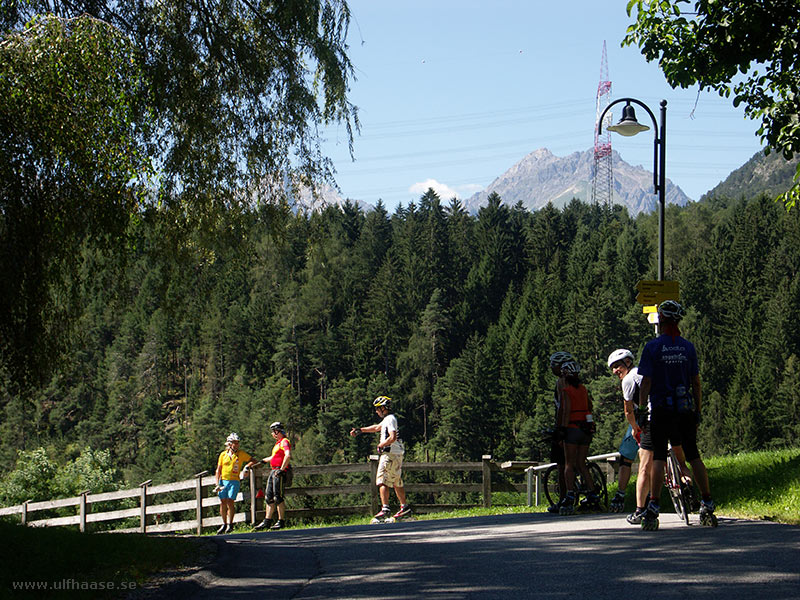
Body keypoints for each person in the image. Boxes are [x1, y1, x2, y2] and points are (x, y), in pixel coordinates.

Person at [638, 300, 716, 530]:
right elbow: (696, 382)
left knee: (659, 457)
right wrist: (698, 410)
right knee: (693, 455)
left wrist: (642, 410)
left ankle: (653, 505)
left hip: (661, 410)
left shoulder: (652, 348)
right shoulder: (687, 347)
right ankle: (707, 501)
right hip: (685, 409)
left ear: (660, 319)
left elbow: (646, 383)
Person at [350, 396, 411, 521]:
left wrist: (381, 445)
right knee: (396, 481)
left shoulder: (389, 419)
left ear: (384, 408)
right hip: (397, 454)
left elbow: (392, 437)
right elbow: (376, 428)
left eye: (378, 409)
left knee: (382, 480)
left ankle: (385, 510)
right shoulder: (389, 419)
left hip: (389, 454)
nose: (376, 411)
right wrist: (360, 430)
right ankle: (405, 508)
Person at [557, 360, 602, 515]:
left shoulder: (566, 391)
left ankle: (569, 495)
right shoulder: (583, 389)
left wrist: (561, 430)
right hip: (585, 429)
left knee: (569, 464)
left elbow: (565, 410)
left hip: (572, 428)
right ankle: (592, 493)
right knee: (581, 464)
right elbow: (590, 406)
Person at [546, 351, 573, 513]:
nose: (551, 368)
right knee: (578, 463)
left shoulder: (561, 382)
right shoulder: (577, 383)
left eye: (553, 365)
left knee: (562, 465)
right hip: (580, 427)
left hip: (565, 427)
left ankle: (564, 498)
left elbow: (562, 408)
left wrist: (559, 428)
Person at [214, 432, 257, 534]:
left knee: (230, 501)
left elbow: (253, 460)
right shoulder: (223, 455)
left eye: (237, 443)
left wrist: (246, 467)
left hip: (234, 481)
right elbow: (218, 470)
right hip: (223, 480)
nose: (236, 445)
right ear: (229, 444)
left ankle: (230, 524)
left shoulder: (241, 454)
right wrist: (217, 484)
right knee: (223, 502)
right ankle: (224, 523)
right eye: (234, 443)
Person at [253, 421, 293, 531]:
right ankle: (267, 521)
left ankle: (281, 521)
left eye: (274, 432)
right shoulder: (278, 444)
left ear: (278, 431)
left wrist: (281, 469)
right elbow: (273, 457)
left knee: (278, 497)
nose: (273, 434)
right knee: (269, 497)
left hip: (278, 472)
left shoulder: (284, 441)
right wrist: (262, 461)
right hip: (273, 471)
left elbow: (288, 455)